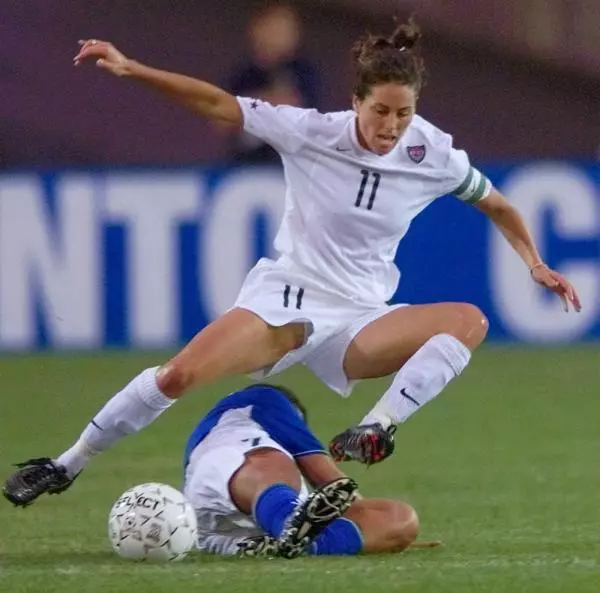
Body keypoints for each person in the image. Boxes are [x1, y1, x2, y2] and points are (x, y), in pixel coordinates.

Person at [2, 19, 581, 507]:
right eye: (380, 111)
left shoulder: (433, 154)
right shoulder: (310, 132)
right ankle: (67, 463)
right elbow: (217, 103)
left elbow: (497, 204)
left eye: (403, 114)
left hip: (359, 318)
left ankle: (375, 429)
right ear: (356, 101)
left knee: (468, 320)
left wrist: (533, 262)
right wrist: (133, 70)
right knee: (177, 375)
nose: (391, 126)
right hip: (291, 299)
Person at [181, 383, 418, 558]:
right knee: (273, 462)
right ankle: (292, 530)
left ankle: (301, 543)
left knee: (400, 518)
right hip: (238, 477)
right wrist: (371, 529)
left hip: (222, 525)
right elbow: (331, 481)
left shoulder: (286, 480)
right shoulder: (265, 399)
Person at [224, 2, 319, 163]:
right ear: (255, 29)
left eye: (286, 31)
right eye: (274, 29)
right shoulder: (243, 75)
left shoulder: (302, 72)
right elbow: (224, 119)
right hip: (245, 166)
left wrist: (251, 107)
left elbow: (297, 107)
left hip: (290, 164)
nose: (280, 37)